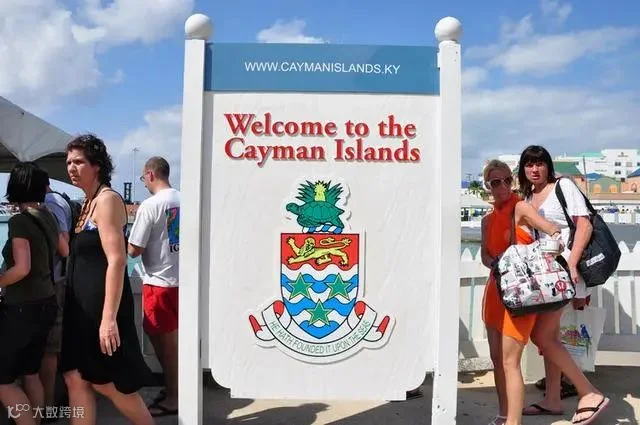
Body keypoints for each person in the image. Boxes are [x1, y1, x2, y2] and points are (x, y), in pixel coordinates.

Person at [59, 134, 154, 425]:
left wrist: (108, 319)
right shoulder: (86, 204)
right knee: (75, 377)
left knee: (107, 382)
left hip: (101, 310)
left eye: (79, 162)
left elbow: (117, 259)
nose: (71, 168)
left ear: (96, 165)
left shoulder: (107, 200)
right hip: (80, 310)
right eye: (69, 162)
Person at [517, 145, 609, 425]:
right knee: (551, 337)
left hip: (567, 271)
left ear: (548, 165)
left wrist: (572, 263)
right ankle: (553, 399)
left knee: (543, 337)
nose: (535, 169)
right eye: (529, 164)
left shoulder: (563, 186)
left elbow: (585, 225)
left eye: (539, 163)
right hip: (549, 275)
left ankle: (590, 393)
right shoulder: (528, 196)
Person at [480, 159, 565, 425]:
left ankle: (513, 422)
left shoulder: (520, 207)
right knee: (497, 359)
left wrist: (549, 251)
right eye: (496, 182)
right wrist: (497, 263)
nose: (503, 186)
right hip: (496, 290)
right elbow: (485, 255)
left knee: (510, 361)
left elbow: (553, 230)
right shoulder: (486, 220)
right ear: (488, 186)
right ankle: (503, 415)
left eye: (507, 180)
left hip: (521, 293)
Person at [0, 162, 59, 425]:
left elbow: (22, 268)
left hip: (22, 307)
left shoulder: (19, 222)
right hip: (46, 303)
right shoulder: (48, 216)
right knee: (31, 372)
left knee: (3, 380)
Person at [127, 157, 180, 417]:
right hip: (183, 281)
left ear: (150, 174)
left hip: (159, 283)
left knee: (164, 345)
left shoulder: (150, 205)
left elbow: (134, 250)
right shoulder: (183, 199)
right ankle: (176, 389)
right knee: (174, 343)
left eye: (143, 179)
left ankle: (174, 396)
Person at [39, 173, 72, 423]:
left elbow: (63, 244)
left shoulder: (50, 203)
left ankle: (48, 406)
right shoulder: (57, 201)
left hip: (53, 282)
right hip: (58, 279)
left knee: (49, 349)